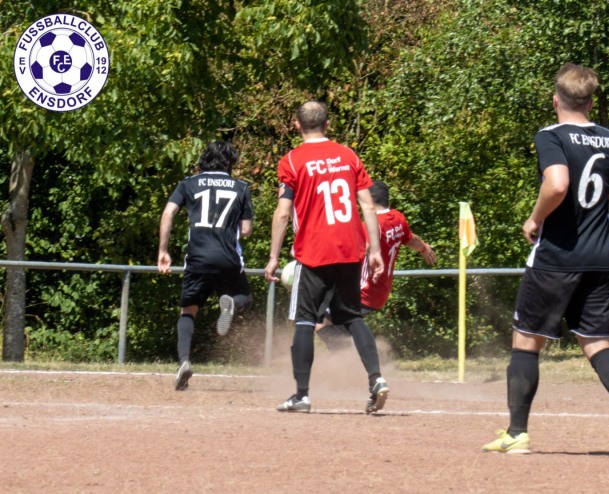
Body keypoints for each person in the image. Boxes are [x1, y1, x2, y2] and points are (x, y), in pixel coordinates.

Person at [482, 63, 609, 457]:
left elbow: (557, 183)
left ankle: (517, 433)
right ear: (590, 101)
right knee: (596, 342)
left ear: (556, 99)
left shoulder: (551, 135)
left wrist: (535, 217)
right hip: (600, 256)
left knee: (526, 341)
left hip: (557, 257)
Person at [264, 100, 390, 415]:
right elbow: (367, 204)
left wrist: (273, 257)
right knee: (351, 318)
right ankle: (376, 378)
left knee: (306, 321)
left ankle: (301, 395)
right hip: (350, 249)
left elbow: (282, 213)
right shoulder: (348, 155)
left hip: (314, 250)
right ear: (327, 125)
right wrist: (375, 251)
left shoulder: (292, 161)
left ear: (296, 125)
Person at [158, 141, 254, 391]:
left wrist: (163, 251)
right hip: (228, 258)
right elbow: (245, 231)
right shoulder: (241, 187)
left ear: (204, 160)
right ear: (231, 163)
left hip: (198, 258)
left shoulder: (188, 183)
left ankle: (184, 362)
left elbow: (168, 213)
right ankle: (232, 303)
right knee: (243, 295)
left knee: (188, 310)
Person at [315, 179, 437, 351]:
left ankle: (351, 360)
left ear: (369, 200)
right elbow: (411, 239)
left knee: (320, 323)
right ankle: (352, 360)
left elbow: (358, 252)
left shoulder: (370, 226)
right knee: (346, 327)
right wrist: (424, 248)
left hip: (362, 290)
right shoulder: (398, 219)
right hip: (379, 292)